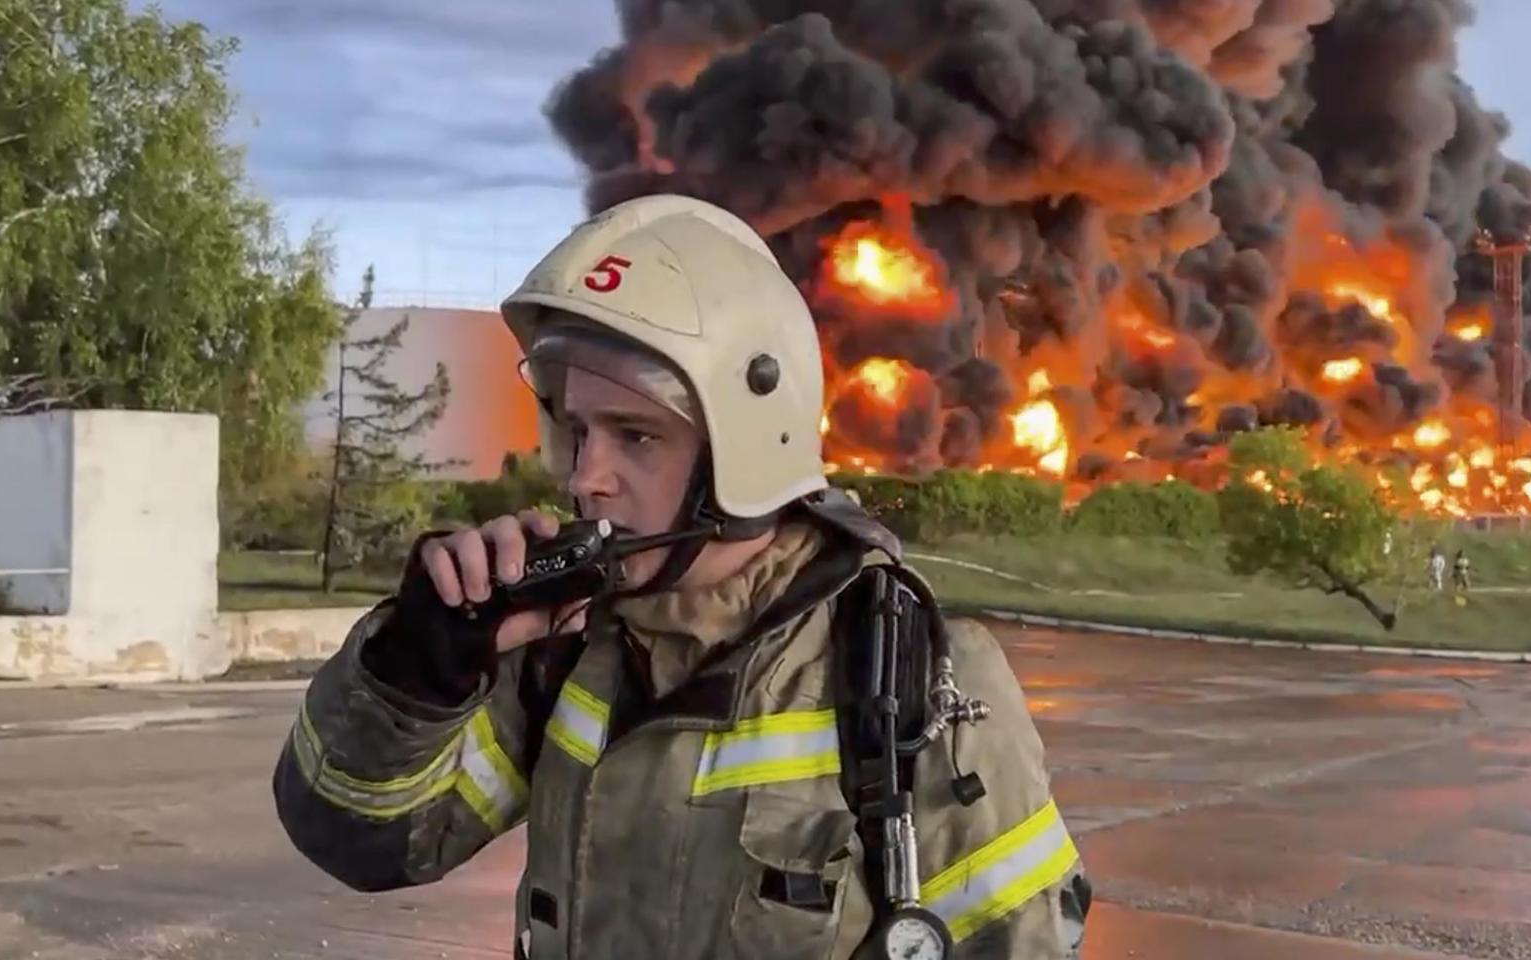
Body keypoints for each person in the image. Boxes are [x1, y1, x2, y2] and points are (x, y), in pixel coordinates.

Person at [272, 194, 1092, 959]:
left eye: (635, 436)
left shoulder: (909, 674)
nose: (587, 476)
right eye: (578, 428)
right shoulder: (565, 648)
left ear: (745, 443)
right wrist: (416, 674)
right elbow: (363, 842)